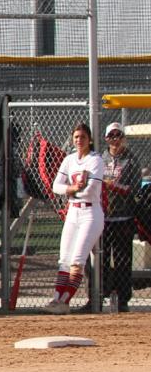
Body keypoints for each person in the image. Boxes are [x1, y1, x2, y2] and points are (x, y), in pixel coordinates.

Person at [46, 122, 105, 314]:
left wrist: (73, 191)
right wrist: (72, 189)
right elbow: (56, 186)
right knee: (64, 259)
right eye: (76, 137)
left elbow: (92, 189)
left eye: (83, 137)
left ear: (90, 140)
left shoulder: (95, 160)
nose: (79, 140)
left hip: (91, 213)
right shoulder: (70, 160)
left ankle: (64, 302)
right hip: (73, 211)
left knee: (77, 260)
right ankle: (56, 299)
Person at [97, 122, 140, 313]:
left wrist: (116, 187)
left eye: (118, 135)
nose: (115, 139)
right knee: (102, 258)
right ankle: (100, 295)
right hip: (104, 217)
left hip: (124, 216)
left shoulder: (130, 160)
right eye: (111, 135)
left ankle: (123, 299)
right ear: (106, 138)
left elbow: (135, 188)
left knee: (123, 259)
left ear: (123, 137)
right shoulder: (100, 158)